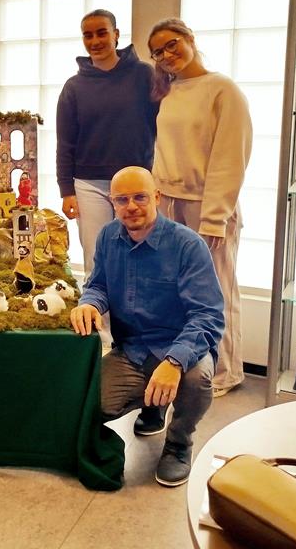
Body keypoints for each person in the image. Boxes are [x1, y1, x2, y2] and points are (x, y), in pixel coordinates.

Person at [70, 166, 224, 487]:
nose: (131, 207)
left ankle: (179, 444)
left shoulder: (187, 245)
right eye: (122, 199)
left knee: (197, 381)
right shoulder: (108, 237)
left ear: (157, 197)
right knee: (90, 406)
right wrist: (90, 303)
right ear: (112, 203)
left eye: (140, 197)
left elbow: (208, 315)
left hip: (182, 348)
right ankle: (154, 406)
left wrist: (174, 362)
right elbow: (98, 284)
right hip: (132, 351)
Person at [148, 18, 252, 398]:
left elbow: (230, 158)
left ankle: (225, 373)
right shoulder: (169, 92)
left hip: (208, 206)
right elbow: (163, 151)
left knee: (217, 290)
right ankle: (190, 364)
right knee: (179, 291)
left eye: (171, 44)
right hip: (168, 204)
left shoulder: (222, 89)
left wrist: (214, 218)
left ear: (190, 38)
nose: (166, 55)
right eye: (157, 52)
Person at [56, 9, 159, 277]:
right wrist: (66, 190)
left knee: (139, 256)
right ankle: (98, 307)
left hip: (136, 183)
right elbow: (65, 144)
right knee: (97, 259)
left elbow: (163, 126)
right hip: (89, 185)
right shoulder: (74, 87)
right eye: (88, 35)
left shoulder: (144, 75)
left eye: (102, 33)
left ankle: (134, 307)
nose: (95, 41)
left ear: (116, 35)